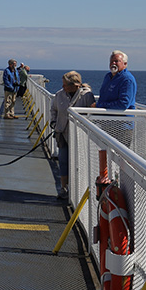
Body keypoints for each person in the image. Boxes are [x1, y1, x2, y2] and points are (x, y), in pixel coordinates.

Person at [50, 71, 96, 199]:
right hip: (62, 133)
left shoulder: (86, 95)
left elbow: (92, 113)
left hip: (80, 136)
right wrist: (53, 122)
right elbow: (53, 109)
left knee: (79, 163)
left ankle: (79, 190)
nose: (63, 87)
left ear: (75, 85)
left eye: (65, 85)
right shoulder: (59, 95)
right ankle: (64, 188)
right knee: (63, 161)